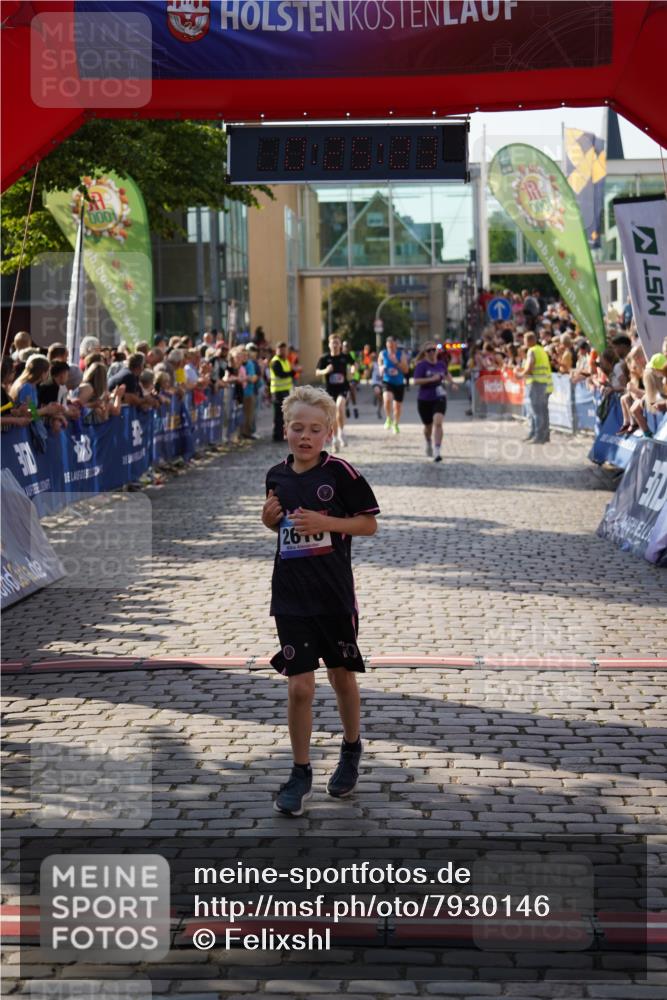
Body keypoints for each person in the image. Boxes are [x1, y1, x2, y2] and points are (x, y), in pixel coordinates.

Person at [261, 385, 379, 817]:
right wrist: (267, 519)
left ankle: (351, 749)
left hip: (333, 596)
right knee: (299, 688)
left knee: (342, 677)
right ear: (285, 430)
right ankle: (300, 770)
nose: (304, 436)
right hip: (290, 596)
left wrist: (325, 521)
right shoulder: (276, 475)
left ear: (328, 432)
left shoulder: (341, 474)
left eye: (314, 429)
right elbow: (277, 523)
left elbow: (367, 526)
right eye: (297, 428)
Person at [413, 342, 457, 462]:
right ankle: (428, 441)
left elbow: (447, 374)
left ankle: (437, 450)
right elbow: (416, 381)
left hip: (439, 396)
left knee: (438, 422)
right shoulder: (421, 365)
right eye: (429, 350)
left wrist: (452, 383)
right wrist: (431, 379)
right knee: (428, 427)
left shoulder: (441, 364)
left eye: (434, 349)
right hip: (424, 399)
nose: (432, 352)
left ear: (437, 351)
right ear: (425, 353)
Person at [316, 333, 351, 451]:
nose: (335, 345)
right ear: (329, 345)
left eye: (337, 342)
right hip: (330, 390)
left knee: (340, 407)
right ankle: (335, 438)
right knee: (333, 414)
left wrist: (354, 369)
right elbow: (317, 372)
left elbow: (354, 364)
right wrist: (325, 370)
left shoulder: (345, 357)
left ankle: (341, 432)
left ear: (340, 344)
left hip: (343, 388)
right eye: (333, 343)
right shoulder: (324, 358)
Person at [516, 331, 553, 443]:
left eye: (525, 340)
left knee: (537, 411)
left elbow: (529, 368)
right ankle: (544, 435)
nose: (524, 343)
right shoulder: (541, 350)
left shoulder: (532, 351)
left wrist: (519, 375)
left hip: (537, 383)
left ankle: (538, 436)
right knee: (543, 411)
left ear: (530, 340)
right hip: (545, 383)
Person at [269, 341, 300, 442]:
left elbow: (288, 373)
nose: (283, 352)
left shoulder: (285, 360)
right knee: (278, 415)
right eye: (281, 350)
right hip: (277, 392)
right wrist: (293, 371)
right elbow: (281, 374)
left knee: (285, 415)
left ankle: (282, 434)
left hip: (286, 391)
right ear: (277, 350)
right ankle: (276, 435)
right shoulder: (275, 361)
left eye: (284, 350)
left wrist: (293, 371)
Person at [379, 336, 409, 433]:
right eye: (388, 346)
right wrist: (381, 368)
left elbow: (406, 370)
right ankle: (388, 418)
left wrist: (397, 362)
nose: (390, 348)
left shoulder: (401, 354)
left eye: (392, 346)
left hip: (399, 383)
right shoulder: (383, 354)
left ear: (396, 345)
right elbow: (379, 364)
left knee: (397, 406)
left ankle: (396, 423)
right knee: (387, 399)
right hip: (387, 381)